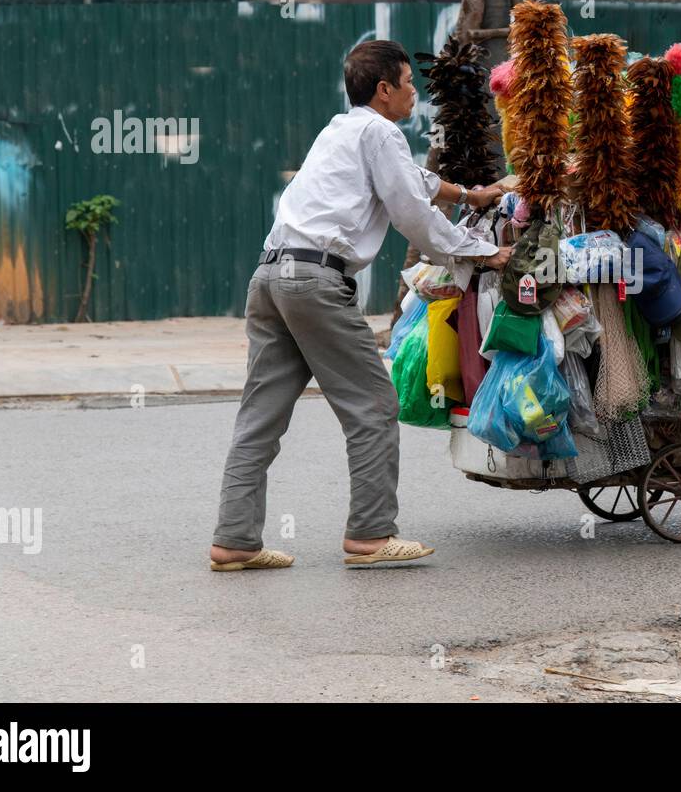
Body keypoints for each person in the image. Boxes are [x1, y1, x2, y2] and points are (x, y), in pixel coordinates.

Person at [209, 39, 512, 571]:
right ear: (384, 89)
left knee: (259, 417)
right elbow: (412, 214)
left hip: (271, 276)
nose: (414, 91)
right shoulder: (380, 132)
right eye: (408, 82)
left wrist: (471, 195)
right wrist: (484, 253)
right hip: (316, 284)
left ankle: (234, 540)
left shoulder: (341, 130)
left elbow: (413, 183)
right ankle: (371, 535)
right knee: (374, 406)